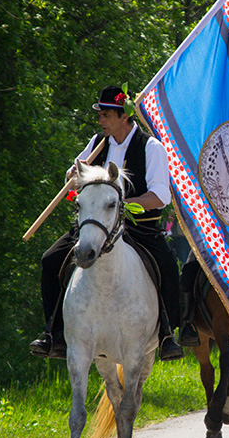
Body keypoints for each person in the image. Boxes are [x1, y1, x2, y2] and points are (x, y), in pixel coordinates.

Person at [30, 85, 184, 361]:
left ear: (123, 116)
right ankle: (54, 333)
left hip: (140, 227)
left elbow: (161, 195)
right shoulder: (97, 143)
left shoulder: (151, 147)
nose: (100, 120)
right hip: (96, 224)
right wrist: (72, 176)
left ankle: (168, 335)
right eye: (100, 115)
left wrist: (125, 207)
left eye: (105, 115)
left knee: (167, 265)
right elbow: (74, 176)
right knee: (51, 259)